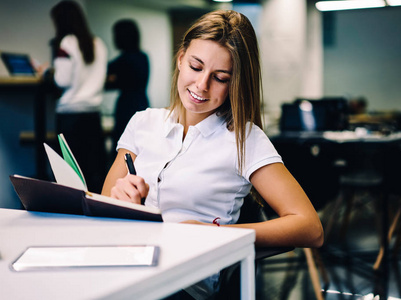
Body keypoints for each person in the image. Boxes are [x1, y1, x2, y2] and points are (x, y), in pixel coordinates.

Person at [102, 10, 323, 299]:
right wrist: (122, 199)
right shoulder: (143, 123)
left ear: (236, 83)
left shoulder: (244, 139)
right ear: (181, 58)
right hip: (129, 261)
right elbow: (104, 204)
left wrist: (215, 235)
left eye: (220, 77)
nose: (201, 86)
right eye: (196, 67)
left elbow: (310, 227)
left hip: (184, 281)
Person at [50, 0, 108, 193]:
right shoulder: (98, 43)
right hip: (92, 114)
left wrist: (49, 72)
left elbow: (62, 80)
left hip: (70, 115)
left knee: (70, 175)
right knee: (93, 171)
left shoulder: (66, 43)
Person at [105, 19, 150, 159]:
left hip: (127, 106)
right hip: (142, 102)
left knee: (124, 147)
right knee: (141, 147)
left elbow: (105, 80)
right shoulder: (143, 57)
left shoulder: (123, 60)